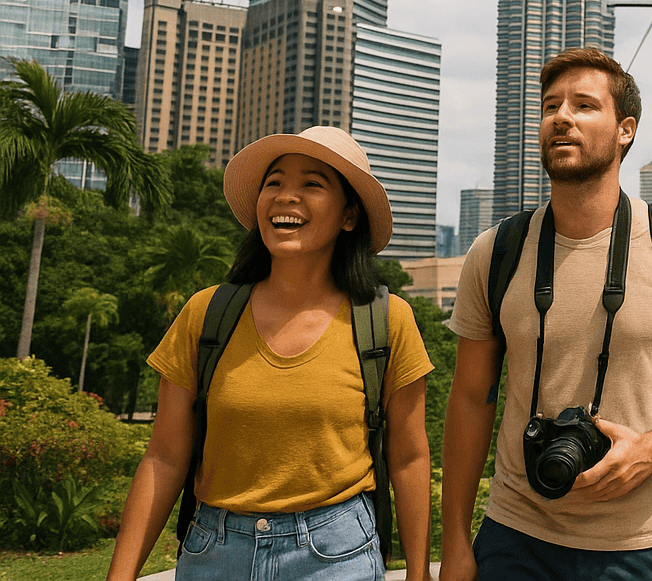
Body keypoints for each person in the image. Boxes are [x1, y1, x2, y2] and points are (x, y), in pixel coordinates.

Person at [440, 47, 652, 581]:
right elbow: (471, 399)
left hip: (647, 541)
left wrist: (649, 452)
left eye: (585, 105)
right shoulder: (496, 252)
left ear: (625, 129)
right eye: (550, 106)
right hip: (516, 533)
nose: (561, 117)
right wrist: (454, 544)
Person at [108, 126, 435, 581]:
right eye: (274, 182)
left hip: (337, 555)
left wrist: (420, 574)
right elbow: (164, 456)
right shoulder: (207, 314)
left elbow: (409, 457)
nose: (286, 196)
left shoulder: (385, 320)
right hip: (214, 552)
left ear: (349, 216)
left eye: (312, 184)